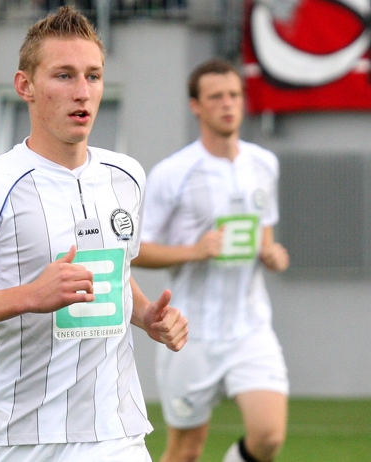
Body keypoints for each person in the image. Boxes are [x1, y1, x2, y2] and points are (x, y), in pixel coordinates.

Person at [0, 6, 188, 462]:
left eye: (93, 76)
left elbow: (112, 272)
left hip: (118, 436)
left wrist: (147, 315)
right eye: (64, 76)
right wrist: (30, 295)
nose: (82, 92)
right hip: (20, 442)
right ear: (26, 87)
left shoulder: (127, 177)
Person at [132, 58, 290, 462]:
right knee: (185, 450)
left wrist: (273, 254)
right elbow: (135, 251)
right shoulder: (173, 172)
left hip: (250, 328)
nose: (227, 104)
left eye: (234, 95)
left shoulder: (264, 164)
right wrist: (194, 250)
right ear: (195, 106)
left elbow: (264, 232)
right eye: (216, 96)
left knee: (269, 435)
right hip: (192, 333)